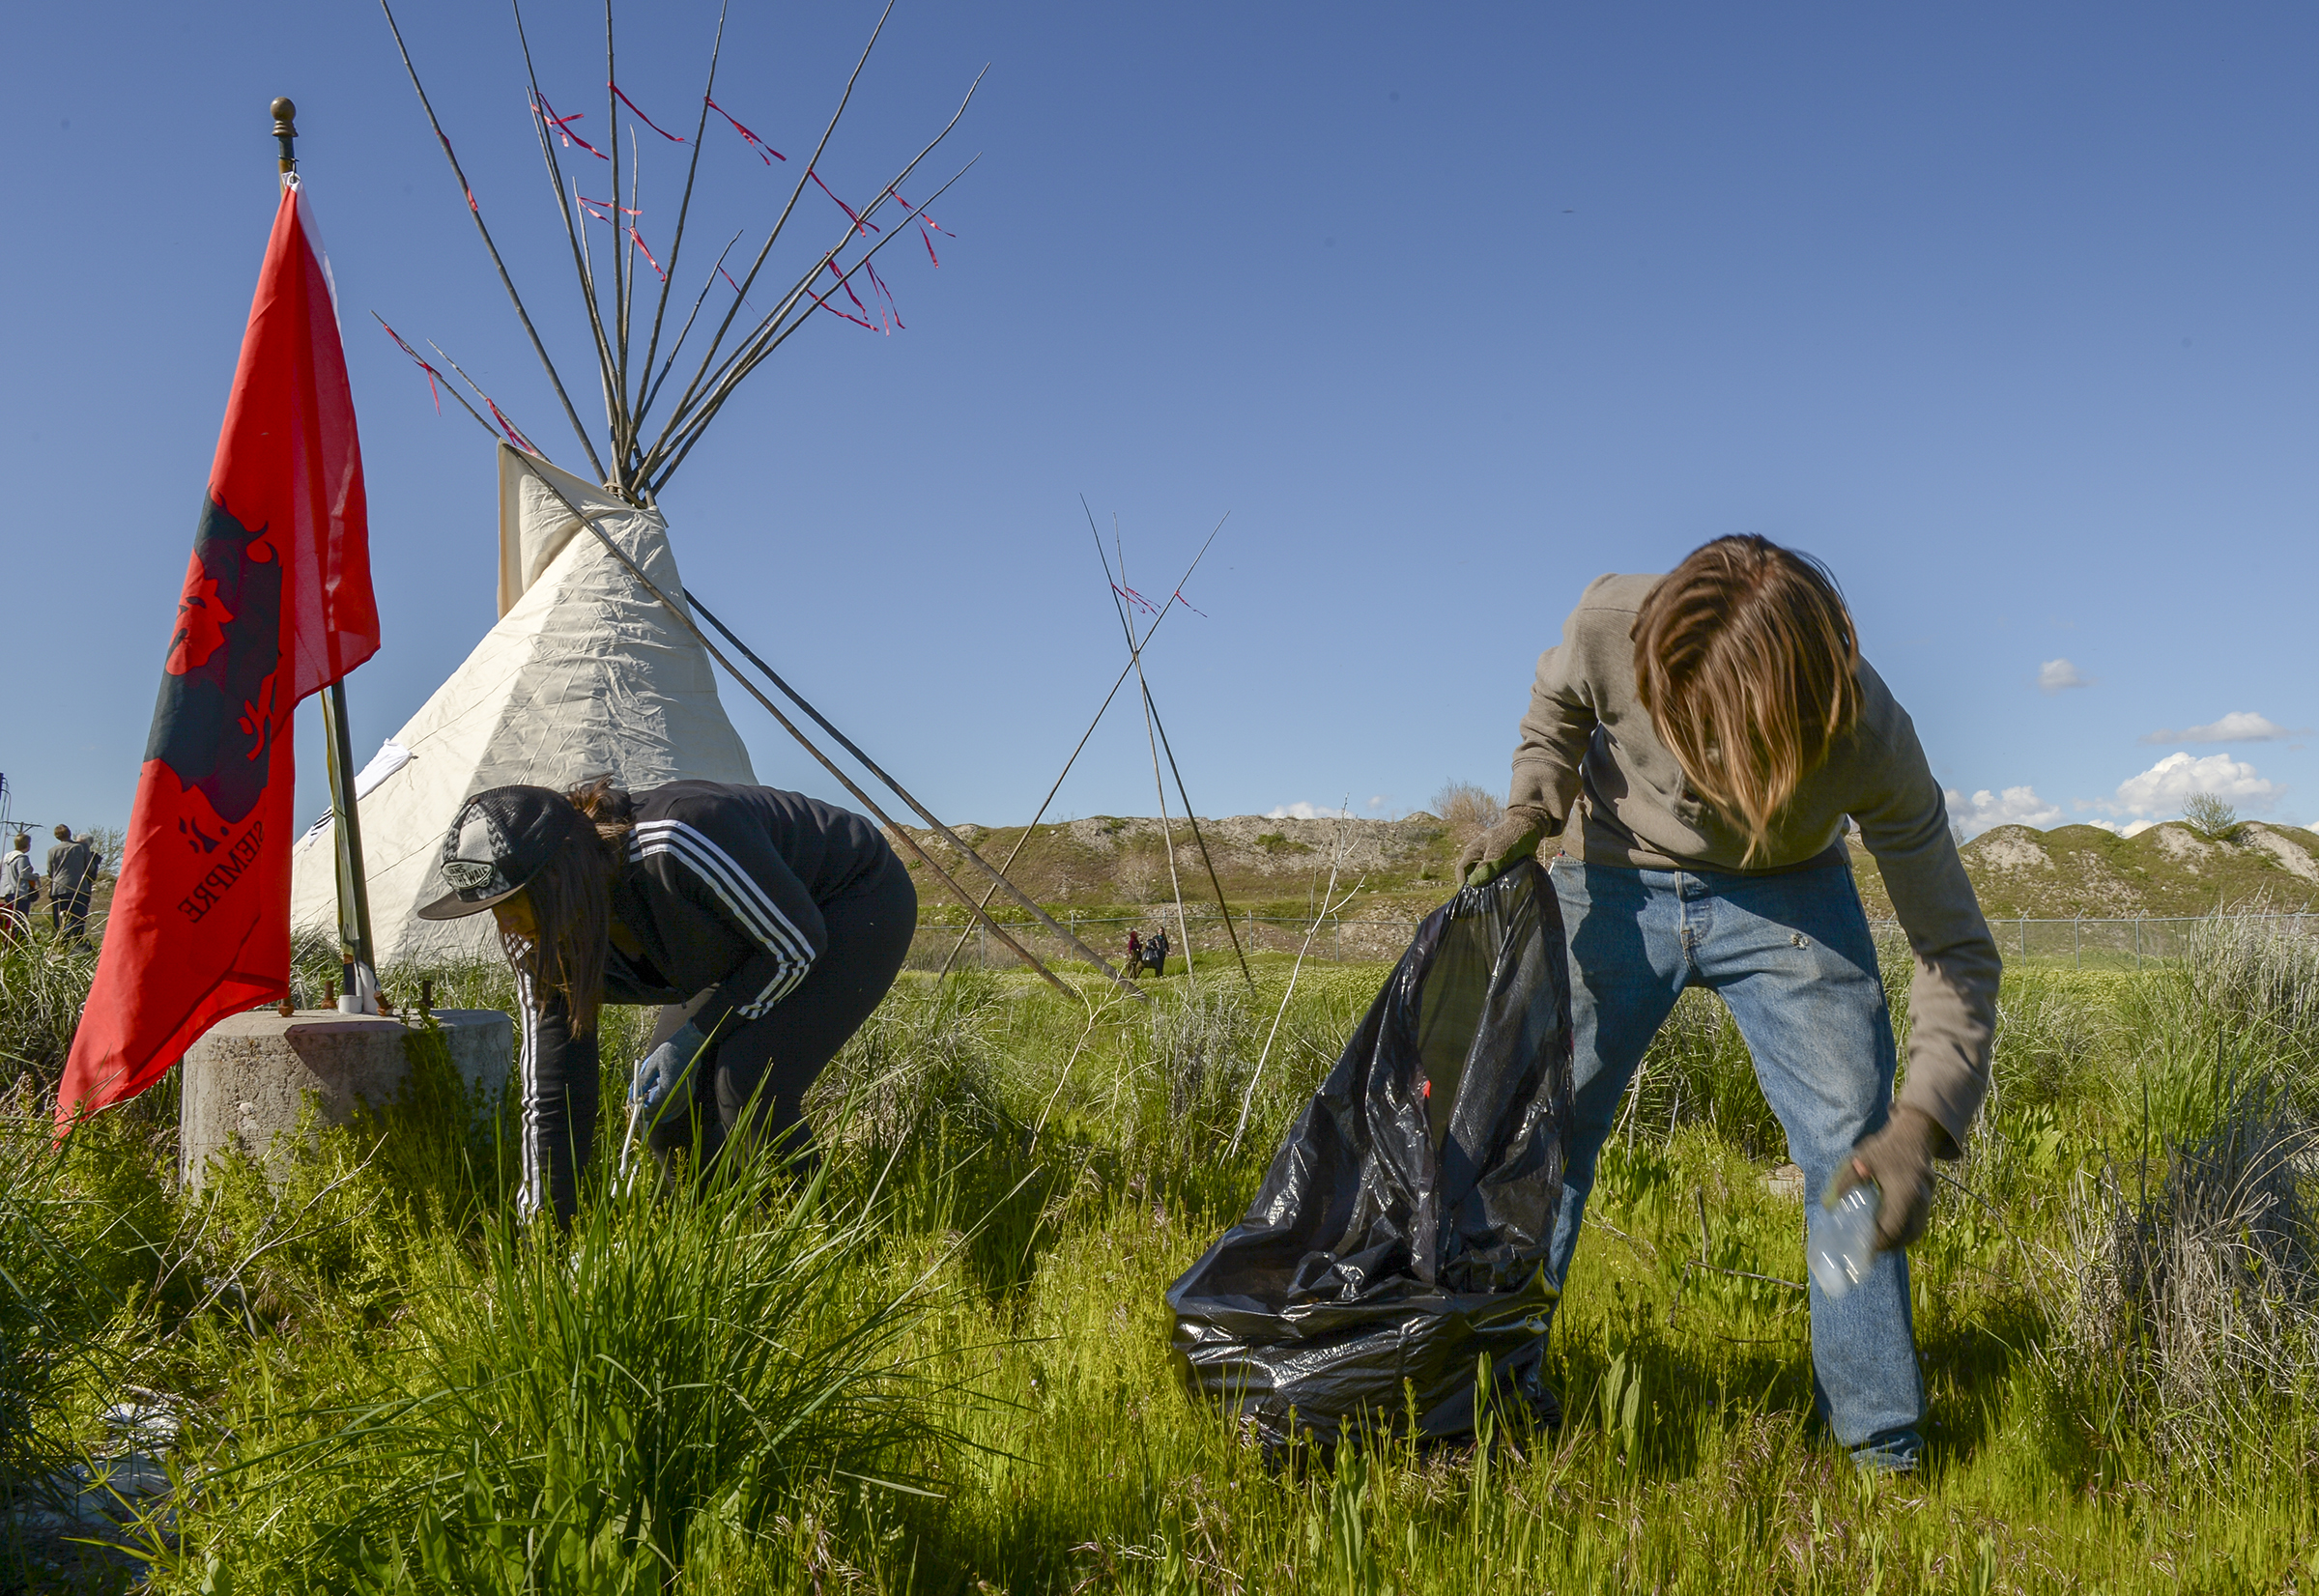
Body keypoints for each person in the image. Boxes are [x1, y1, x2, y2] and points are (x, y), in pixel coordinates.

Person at [1457, 535, 1999, 1472]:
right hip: (1615, 868)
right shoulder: (1608, 624)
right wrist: (1530, 806)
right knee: (1539, 1128)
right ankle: (1487, 1406)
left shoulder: (1869, 734)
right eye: (1685, 730)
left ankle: (1881, 1451)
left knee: (1851, 1146)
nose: (1704, 766)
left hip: (1787, 891)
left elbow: (1954, 946)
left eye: (1731, 747)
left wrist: (1922, 1123)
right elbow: (1557, 710)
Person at [416, 778, 918, 1225]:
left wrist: (695, 1036)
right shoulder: (537, 940)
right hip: (742, 934)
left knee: (745, 1082)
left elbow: (794, 946)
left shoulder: (676, 841)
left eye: (510, 902)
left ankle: (817, 1244)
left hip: (848, 901)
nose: (505, 925)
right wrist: (545, 1229)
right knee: (664, 1109)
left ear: (558, 878)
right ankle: (707, 1237)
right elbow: (552, 1088)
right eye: (488, 910)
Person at [45, 825, 98, 946]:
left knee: (59, 920)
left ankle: (61, 944)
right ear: (70, 833)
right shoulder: (81, 848)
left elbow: (50, 871)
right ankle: (77, 944)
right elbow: (90, 868)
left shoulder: (52, 851)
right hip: (78, 888)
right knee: (78, 918)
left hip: (58, 888)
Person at [0, 835, 35, 937]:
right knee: (21, 919)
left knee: (11, 918)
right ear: (27, 844)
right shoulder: (22, 857)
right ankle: (20, 939)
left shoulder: (6, 858)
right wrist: (35, 877)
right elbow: (23, 874)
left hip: (7, 891)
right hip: (19, 891)